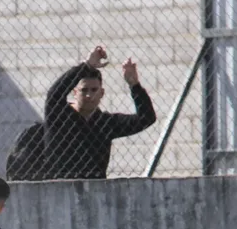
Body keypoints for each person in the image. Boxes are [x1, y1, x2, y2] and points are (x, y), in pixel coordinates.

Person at [44, 45, 156, 180]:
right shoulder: (59, 115)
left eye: (93, 90)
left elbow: (146, 118)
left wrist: (134, 85)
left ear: (101, 93)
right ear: (74, 93)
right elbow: (54, 95)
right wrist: (87, 65)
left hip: (96, 190)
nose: (88, 96)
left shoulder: (105, 122)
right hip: (59, 186)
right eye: (84, 90)